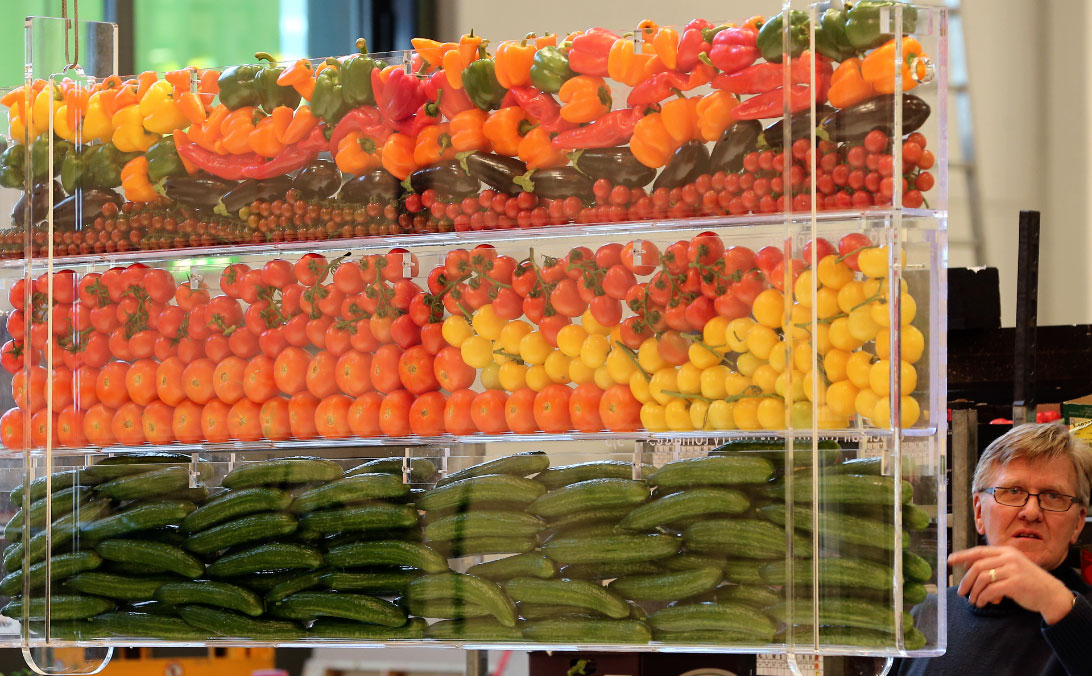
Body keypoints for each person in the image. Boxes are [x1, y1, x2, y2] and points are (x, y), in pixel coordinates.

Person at [894, 422, 1092, 676]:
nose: (1031, 512)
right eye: (1012, 491)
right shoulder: (931, 615)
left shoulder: (1083, 618)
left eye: (1053, 495)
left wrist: (1055, 601)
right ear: (978, 512)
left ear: (1077, 523)